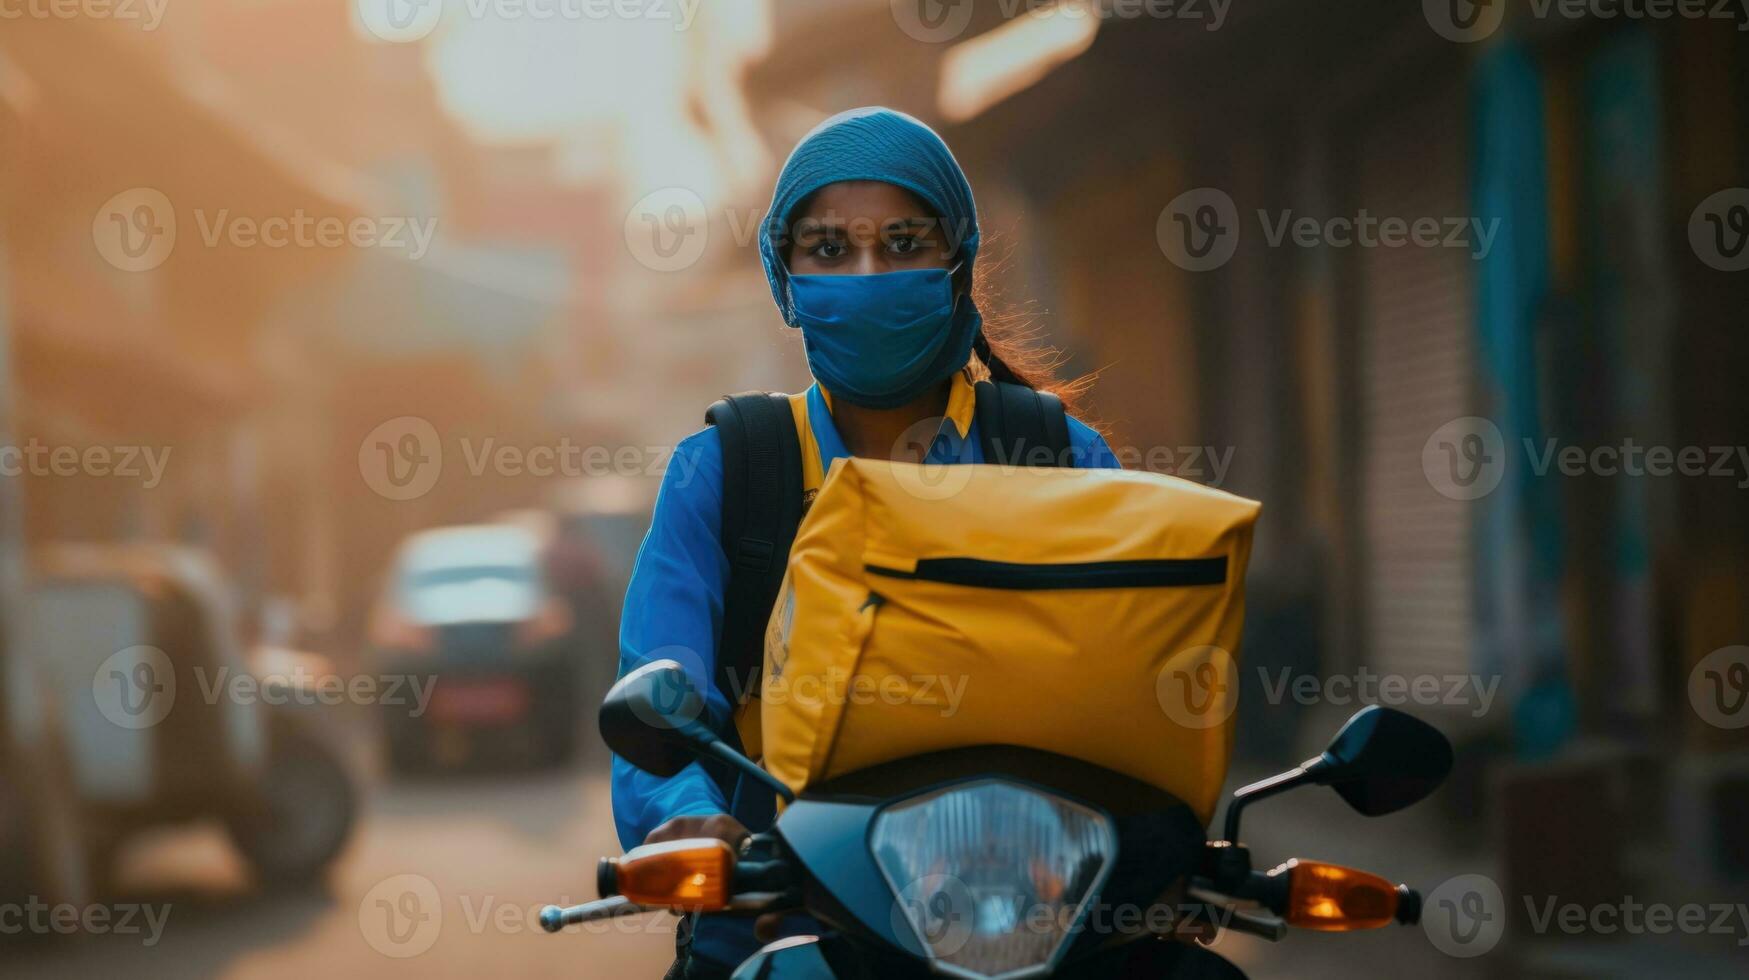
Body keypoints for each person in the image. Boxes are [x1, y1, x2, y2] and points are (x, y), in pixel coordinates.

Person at [610, 106, 1121, 979]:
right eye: (830, 251)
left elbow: (1136, 684)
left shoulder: (1058, 457)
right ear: (786, 279)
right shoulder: (728, 474)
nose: (868, 273)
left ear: (955, 263)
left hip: (1038, 914)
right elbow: (666, 701)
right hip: (777, 919)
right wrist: (695, 819)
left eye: (902, 243)